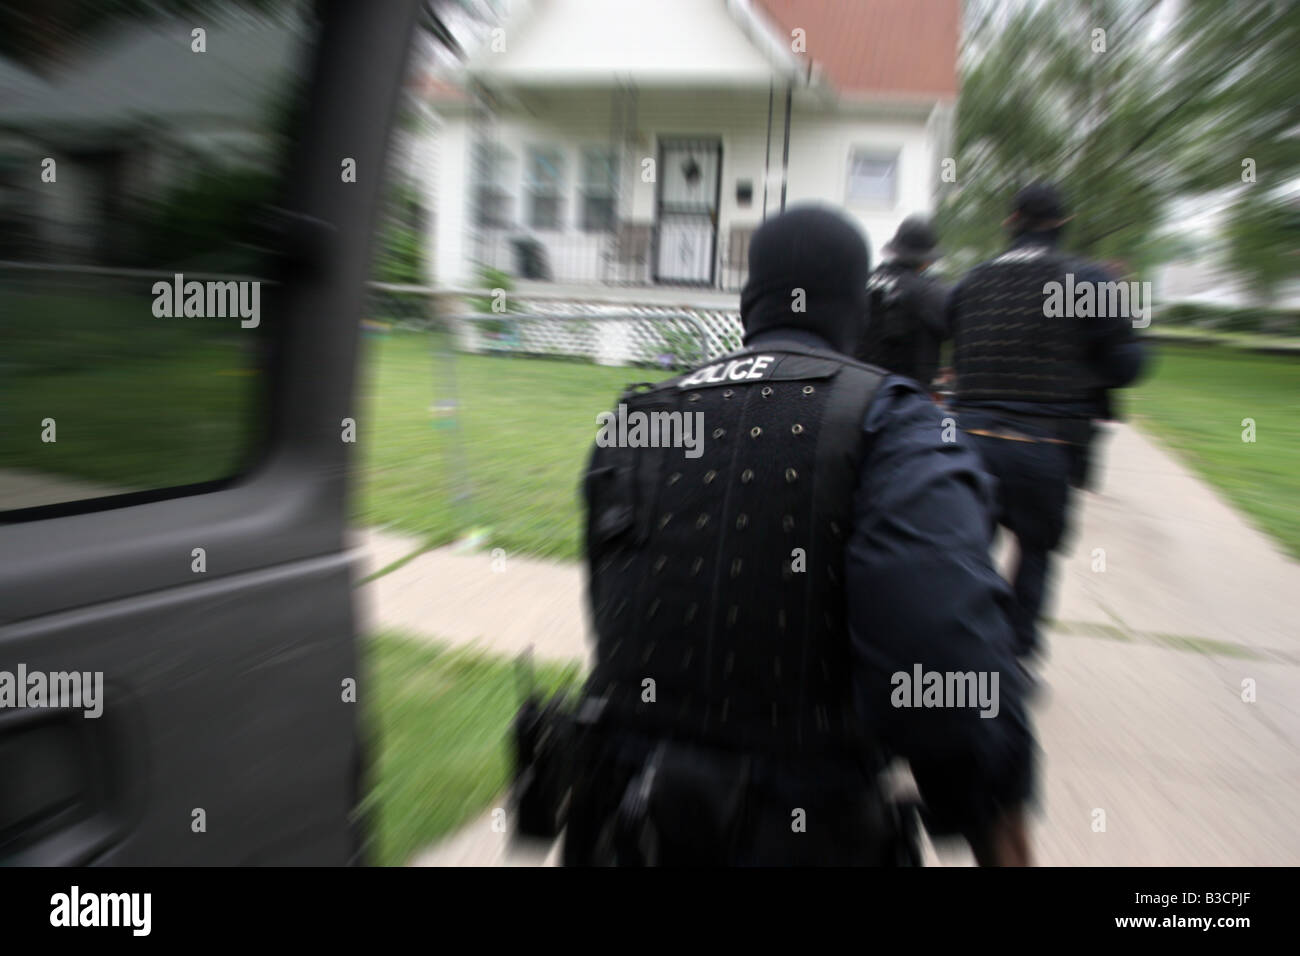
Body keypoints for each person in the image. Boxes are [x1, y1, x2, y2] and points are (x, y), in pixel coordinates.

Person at [561, 205, 1036, 867]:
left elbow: (613, 623)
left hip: (623, 824)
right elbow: (939, 661)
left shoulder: (639, 419)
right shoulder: (895, 424)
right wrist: (986, 815)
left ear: (748, 303)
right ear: (855, 311)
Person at [946, 183, 1147, 664]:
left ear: (1009, 221)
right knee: (1034, 555)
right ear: (1063, 223)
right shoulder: (1088, 281)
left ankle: (960, 655)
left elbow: (955, 341)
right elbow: (1130, 365)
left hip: (969, 441)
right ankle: (1014, 663)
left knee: (966, 555)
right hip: (1046, 444)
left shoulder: (970, 282)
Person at [855, 215, 949, 390]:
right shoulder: (929, 292)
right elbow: (956, 325)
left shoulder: (863, 282)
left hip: (858, 392)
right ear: (927, 259)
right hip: (905, 398)